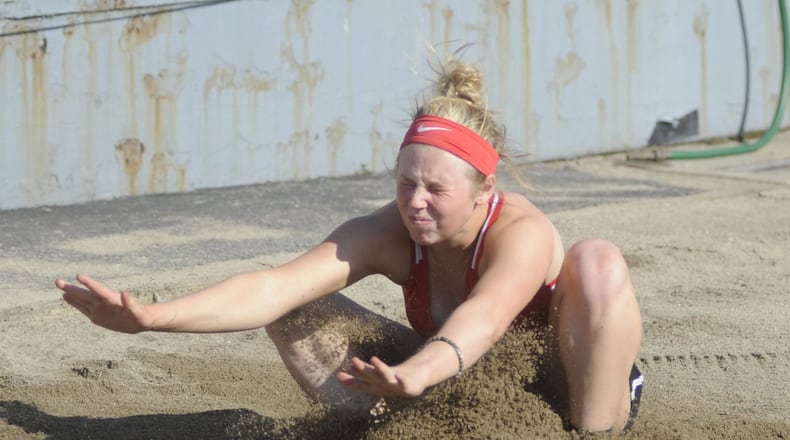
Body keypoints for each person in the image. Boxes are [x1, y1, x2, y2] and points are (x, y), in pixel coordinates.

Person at [55, 55, 643, 434]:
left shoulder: (521, 232)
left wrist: (421, 371)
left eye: (435, 189)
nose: (415, 201)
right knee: (295, 308)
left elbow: (485, 319)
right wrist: (153, 318)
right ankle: (401, 429)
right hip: (453, 387)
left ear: (485, 188)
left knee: (596, 260)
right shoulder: (391, 230)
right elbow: (271, 287)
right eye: (404, 182)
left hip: (573, 386)